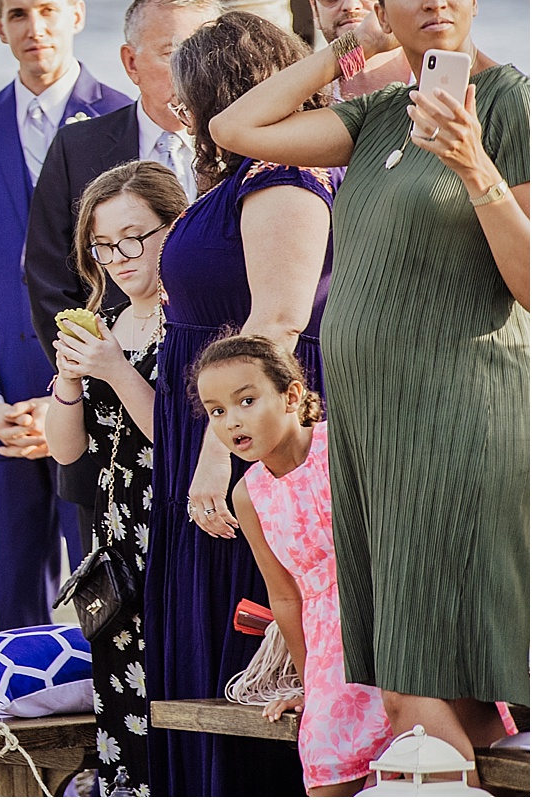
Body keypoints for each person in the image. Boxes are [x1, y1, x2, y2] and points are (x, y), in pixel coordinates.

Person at [209, 0, 529, 771]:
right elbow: (236, 127)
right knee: (429, 682)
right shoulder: (382, 112)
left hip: (455, 413)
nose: (435, 1)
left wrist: (475, 169)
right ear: (382, 6)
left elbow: (531, 281)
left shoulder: (508, 102)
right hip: (369, 429)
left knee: (411, 682)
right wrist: (344, 50)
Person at [145, 11, 332, 797]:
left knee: (243, 619)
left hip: (245, 434)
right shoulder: (238, 178)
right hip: (215, 417)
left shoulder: (283, 182)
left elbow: (280, 321)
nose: (181, 116)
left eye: (186, 97)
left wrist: (220, 451)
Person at [0, 0, 131, 628]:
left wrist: (70, 398)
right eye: (18, 13)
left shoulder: (124, 121)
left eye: (48, 10)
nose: (35, 27)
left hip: (95, 394)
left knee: (106, 596)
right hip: (3, 408)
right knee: (7, 602)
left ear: (76, 15)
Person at [27, 0, 218, 552]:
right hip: (105, 435)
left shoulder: (243, 148)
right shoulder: (77, 148)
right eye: (172, 52)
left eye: (203, 49)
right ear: (131, 63)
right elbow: (48, 277)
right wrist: (86, 368)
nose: (191, 69)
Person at [195, 334, 395, 796]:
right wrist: (312, 686)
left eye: (246, 400)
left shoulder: (342, 446)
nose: (232, 421)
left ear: (291, 395)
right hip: (331, 655)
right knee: (329, 771)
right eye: (217, 411)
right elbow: (285, 597)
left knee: (421, 767)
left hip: (392, 629)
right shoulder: (249, 494)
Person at [46, 160, 187, 798]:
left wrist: (115, 369)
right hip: (115, 537)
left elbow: (184, 438)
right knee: (122, 698)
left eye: (135, 236)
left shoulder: (191, 316)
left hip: (180, 527)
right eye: (104, 245)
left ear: (174, 227)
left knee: (177, 690)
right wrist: (71, 380)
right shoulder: (108, 321)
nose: (120, 256)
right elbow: (68, 452)